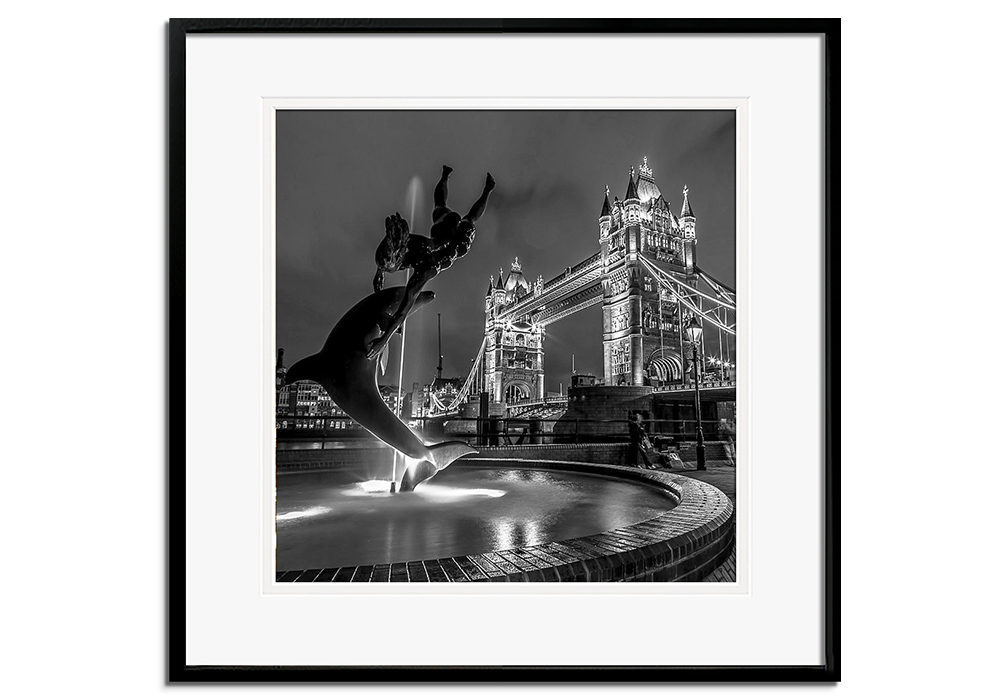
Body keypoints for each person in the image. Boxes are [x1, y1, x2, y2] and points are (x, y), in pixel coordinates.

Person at [368, 166, 495, 359]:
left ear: (401, 258)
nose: (394, 269)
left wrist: (383, 340)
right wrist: (380, 270)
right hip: (442, 226)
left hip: (451, 245)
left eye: (393, 268)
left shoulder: (426, 268)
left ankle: (488, 189)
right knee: (439, 204)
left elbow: (405, 308)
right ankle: (445, 174)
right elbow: (388, 250)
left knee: (470, 218)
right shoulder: (407, 241)